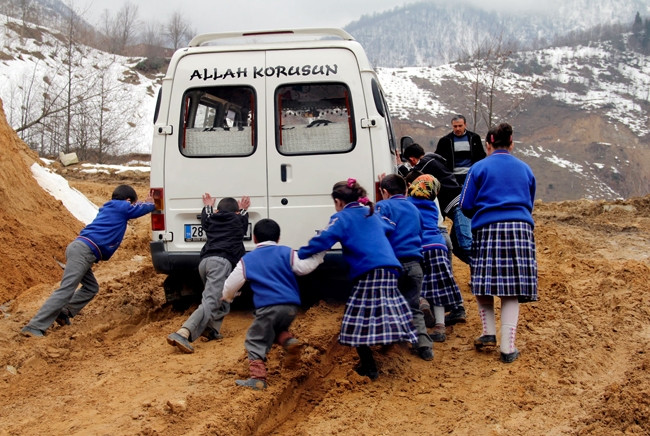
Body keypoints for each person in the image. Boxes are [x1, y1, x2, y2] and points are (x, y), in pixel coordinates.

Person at [298, 178, 418, 380]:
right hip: (390, 268)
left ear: (338, 201)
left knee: (356, 321)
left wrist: (300, 254)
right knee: (384, 309)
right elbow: (390, 226)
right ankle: (388, 341)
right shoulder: (371, 213)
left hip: (368, 270)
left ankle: (369, 368)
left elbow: (323, 240)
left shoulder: (342, 218)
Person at [21, 185, 155, 337]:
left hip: (81, 249)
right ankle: (34, 326)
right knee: (66, 290)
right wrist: (150, 203)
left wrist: (140, 203)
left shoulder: (112, 208)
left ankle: (64, 312)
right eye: (131, 204)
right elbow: (140, 209)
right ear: (128, 200)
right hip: (83, 252)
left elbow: (133, 208)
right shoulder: (121, 206)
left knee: (91, 288)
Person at [460, 123, 538, 363]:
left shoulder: (478, 168)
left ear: (488, 145)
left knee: (483, 282)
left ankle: (488, 332)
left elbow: (465, 205)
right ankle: (507, 348)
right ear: (511, 143)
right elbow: (530, 202)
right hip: (520, 230)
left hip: (488, 229)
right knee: (511, 289)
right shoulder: (526, 169)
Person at [221, 219, 325, 390]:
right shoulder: (287, 252)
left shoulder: (248, 260)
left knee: (255, 339)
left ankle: (257, 378)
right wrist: (320, 254)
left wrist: (227, 297)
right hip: (291, 307)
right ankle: (288, 341)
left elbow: (231, 284)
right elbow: (303, 268)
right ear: (278, 238)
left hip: (267, 306)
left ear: (254, 238)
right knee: (274, 330)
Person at [166, 194, 250, 353]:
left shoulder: (211, 221)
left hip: (205, 263)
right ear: (237, 212)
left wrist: (208, 206)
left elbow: (206, 218)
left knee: (224, 296)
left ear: (217, 211)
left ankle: (211, 329)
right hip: (221, 263)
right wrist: (244, 209)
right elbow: (243, 219)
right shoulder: (238, 221)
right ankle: (184, 332)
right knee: (211, 301)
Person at [402, 143, 469, 325]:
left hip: (428, 240)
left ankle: (426, 306)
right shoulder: (432, 199)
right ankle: (457, 308)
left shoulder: (413, 200)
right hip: (442, 237)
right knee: (445, 277)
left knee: (425, 277)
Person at [376, 174, 434, 360]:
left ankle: (388, 342)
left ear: (384, 192)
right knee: (413, 306)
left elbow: (378, 230)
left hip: (392, 265)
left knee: (387, 304)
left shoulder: (383, 206)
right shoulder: (414, 208)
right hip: (415, 264)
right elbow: (420, 230)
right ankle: (424, 346)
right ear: (406, 190)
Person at [407, 174, 463, 343]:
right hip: (438, 246)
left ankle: (423, 302)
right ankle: (440, 327)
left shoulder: (408, 204)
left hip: (419, 247)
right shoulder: (432, 205)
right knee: (438, 286)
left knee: (418, 282)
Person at [435, 114, 486, 187]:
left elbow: (481, 156)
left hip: (471, 175)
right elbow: (438, 160)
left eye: (460, 126)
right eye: (455, 126)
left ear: (465, 125)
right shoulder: (445, 141)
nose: (457, 128)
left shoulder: (474, 138)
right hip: (452, 177)